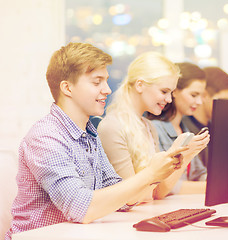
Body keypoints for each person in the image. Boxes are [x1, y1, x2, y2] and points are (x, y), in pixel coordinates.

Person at [5, 43, 187, 239]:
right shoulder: (46, 137)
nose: (107, 89)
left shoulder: (89, 134)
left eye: (106, 81)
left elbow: (123, 196)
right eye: (97, 82)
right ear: (67, 88)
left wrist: (156, 173)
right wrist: (149, 174)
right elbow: (81, 209)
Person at [98, 53, 209, 201]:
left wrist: (184, 155)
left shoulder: (149, 127)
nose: (169, 99)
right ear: (140, 85)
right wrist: (172, 155)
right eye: (164, 91)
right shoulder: (112, 127)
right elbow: (129, 199)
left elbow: (158, 193)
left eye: (171, 93)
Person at [147, 62, 210, 194]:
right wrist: (215, 188)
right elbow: (164, 186)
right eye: (194, 95)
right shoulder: (155, 129)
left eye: (201, 96)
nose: (199, 102)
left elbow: (199, 174)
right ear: (174, 91)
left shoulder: (185, 129)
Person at [183, 66, 228, 167]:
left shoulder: (217, 128)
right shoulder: (184, 129)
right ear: (205, 95)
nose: (227, 107)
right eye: (223, 101)